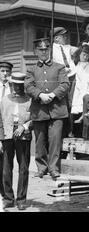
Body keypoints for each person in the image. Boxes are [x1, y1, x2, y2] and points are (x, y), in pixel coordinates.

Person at [24, 38, 70, 180]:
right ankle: (41, 168)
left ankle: (53, 168)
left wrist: (53, 94)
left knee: (55, 140)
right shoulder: (31, 69)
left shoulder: (59, 67)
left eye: (46, 49)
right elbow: (28, 86)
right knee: (39, 141)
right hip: (39, 110)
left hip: (57, 110)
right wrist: (40, 95)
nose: (44, 52)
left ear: (49, 50)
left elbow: (65, 84)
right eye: (41, 49)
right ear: (36, 51)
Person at [0, 72, 32, 210]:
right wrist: (0, 139)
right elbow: (0, 120)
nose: (17, 88)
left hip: (23, 137)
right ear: (11, 85)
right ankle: (8, 198)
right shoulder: (4, 100)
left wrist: (24, 127)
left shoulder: (30, 100)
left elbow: (36, 118)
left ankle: (21, 199)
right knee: (6, 169)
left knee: (23, 168)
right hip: (7, 136)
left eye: (20, 86)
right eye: (15, 85)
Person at [70, 45, 89, 131]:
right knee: (76, 109)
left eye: (87, 55)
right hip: (77, 90)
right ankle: (75, 130)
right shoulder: (76, 66)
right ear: (79, 55)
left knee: (85, 108)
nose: (85, 57)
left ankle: (85, 130)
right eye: (83, 54)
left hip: (86, 87)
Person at [0, 61, 13, 202]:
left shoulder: (14, 89)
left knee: (6, 165)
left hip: (9, 129)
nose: (5, 74)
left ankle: (6, 194)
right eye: (2, 71)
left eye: (7, 71)